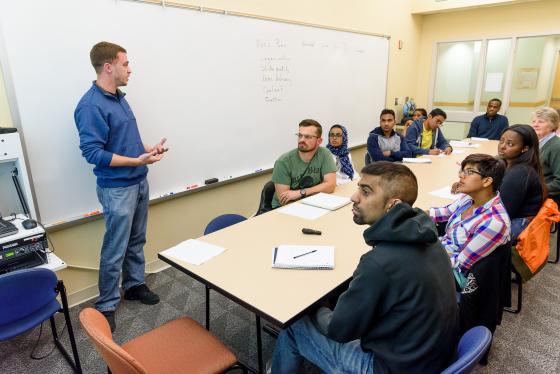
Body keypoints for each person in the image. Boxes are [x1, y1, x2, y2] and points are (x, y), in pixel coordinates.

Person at [271, 162, 459, 373]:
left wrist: (312, 307)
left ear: (393, 205)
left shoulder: (378, 263)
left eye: (365, 191)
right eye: (358, 187)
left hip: (390, 367)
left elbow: (338, 330)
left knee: (294, 325)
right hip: (431, 355)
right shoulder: (429, 238)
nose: (354, 197)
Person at [74, 42, 167, 332]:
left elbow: (127, 140)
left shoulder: (119, 98)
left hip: (139, 181)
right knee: (115, 248)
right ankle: (106, 305)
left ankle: (135, 285)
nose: (130, 69)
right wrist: (135, 161)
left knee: (137, 241)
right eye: (125, 64)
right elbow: (93, 153)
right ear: (108, 67)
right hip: (117, 189)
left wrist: (148, 151)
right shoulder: (90, 106)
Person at [429, 154, 510, 287]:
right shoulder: (470, 198)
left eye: (470, 172)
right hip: (442, 250)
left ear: (487, 181)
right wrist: (412, 212)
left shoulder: (494, 222)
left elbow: (460, 263)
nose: (461, 175)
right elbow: (444, 212)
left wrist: (423, 255)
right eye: (462, 170)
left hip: (452, 273)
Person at [271, 119, 337, 208]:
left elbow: (330, 185)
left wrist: (301, 193)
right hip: (283, 209)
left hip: (313, 203)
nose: (301, 140)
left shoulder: (324, 154)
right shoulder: (283, 162)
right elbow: (285, 200)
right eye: (300, 135)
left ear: (319, 141)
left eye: (307, 137)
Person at [497, 124, 545, 241]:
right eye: (501, 141)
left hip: (516, 223)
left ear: (525, 148)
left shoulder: (520, 173)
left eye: (510, 144)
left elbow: (503, 213)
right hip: (511, 216)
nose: (502, 146)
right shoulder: (510, 163)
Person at [531, 107, 560, 208]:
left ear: (552, 125)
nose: (535, 124)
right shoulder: (539, 142)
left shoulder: (557, 146)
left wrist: (534, 190)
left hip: (545, 198)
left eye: (541, 121)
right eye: (534, 121)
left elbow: (558, 182)